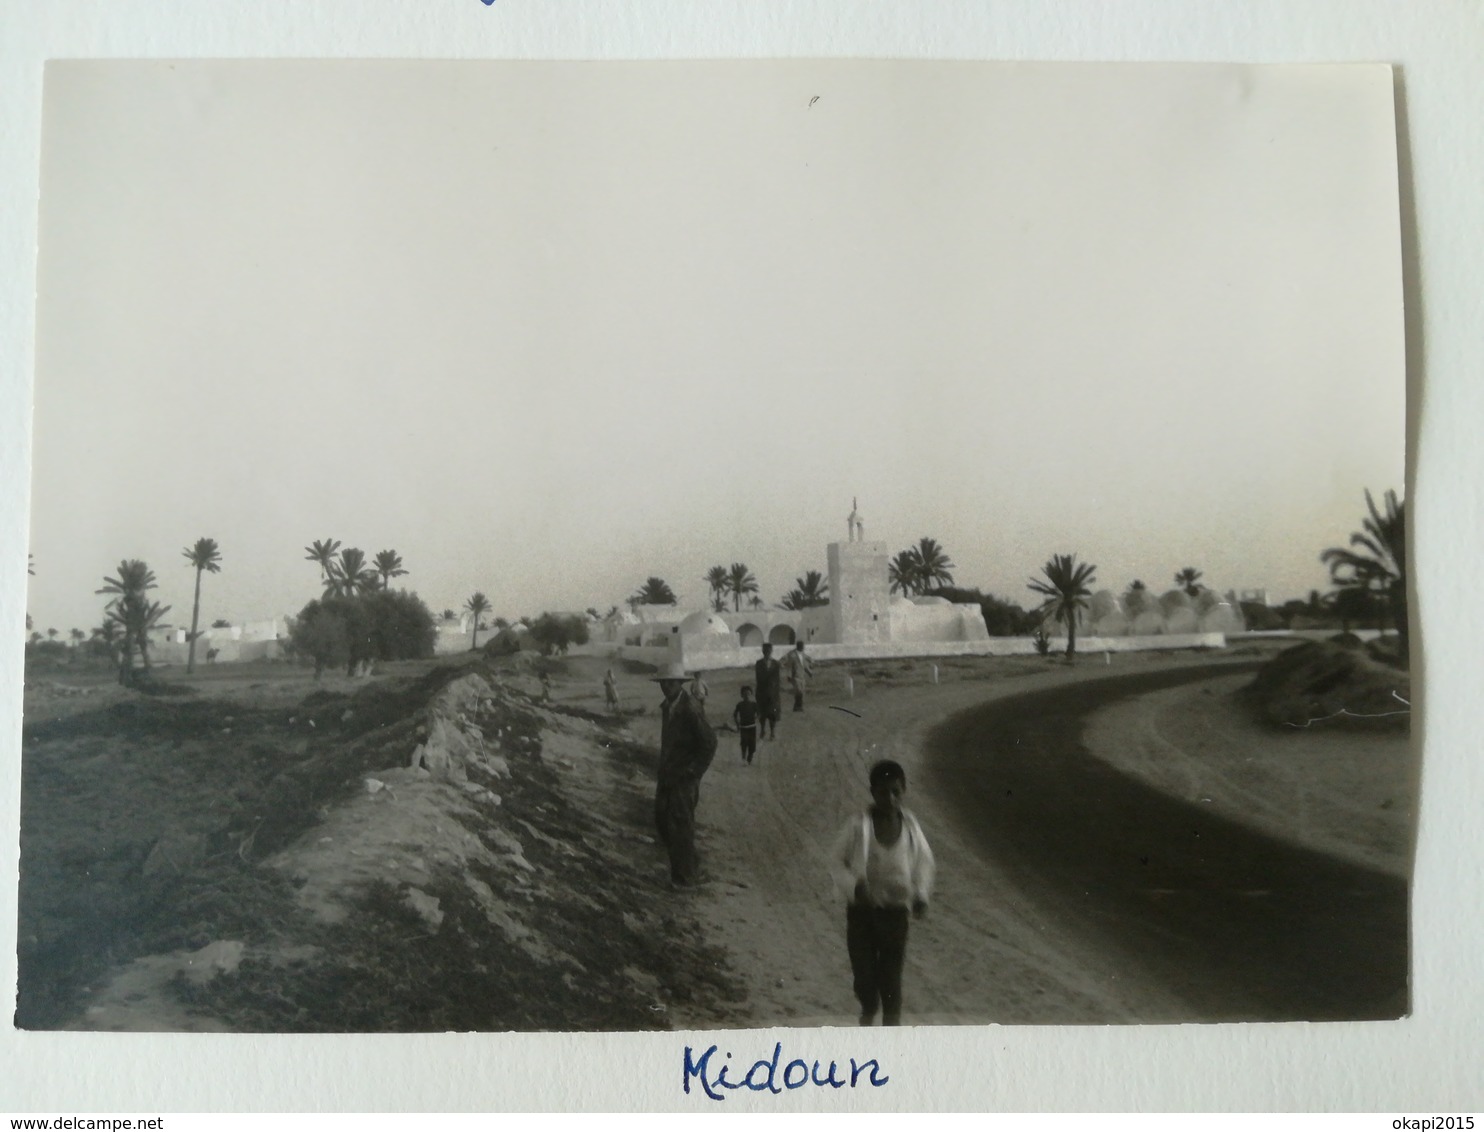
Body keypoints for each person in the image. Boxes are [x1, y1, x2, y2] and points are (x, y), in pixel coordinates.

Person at [829, 758, 935, 1026]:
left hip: (896, 915)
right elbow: (835, 860)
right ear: (872, 792)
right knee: (864, 977)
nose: (889, 798)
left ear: (904, 791)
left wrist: (921, 894)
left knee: (891, 981)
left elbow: (924, 860)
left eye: (895, 792)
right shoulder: (858, 825)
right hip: (862, 914)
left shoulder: (910, 827)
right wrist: (854, 886)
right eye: (882, 792)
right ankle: (867, 1009)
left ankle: (890, 1035)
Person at [652, 660, 718, 887]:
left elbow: (709, 743)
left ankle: (684, 877)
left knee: (680, 825)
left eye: (671, 683)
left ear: (680, 683)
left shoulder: (690, 708)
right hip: (668, 776)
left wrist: (693, 772)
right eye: (663, 683)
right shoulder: (668, 706)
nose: (666, 686)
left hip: (684, 779)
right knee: (662, 821)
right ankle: (691, 865)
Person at [753, 643, 782, 740]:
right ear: (763, 651)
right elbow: (759, 678)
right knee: (762, 713)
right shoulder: (759, 663)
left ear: (771, 651)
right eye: (765, 651)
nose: (767, 652)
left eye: (769, 651)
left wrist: (775, 693)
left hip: (773, 693)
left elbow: (777, 680)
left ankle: (772, 732)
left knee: (772, 713)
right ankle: (762, 730)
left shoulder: (776, 664)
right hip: (762, 692)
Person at [782, 641, 814, 712]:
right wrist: (789, 676)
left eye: (802, 646)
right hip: (795, 677)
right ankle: (799, 706)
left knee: (801, 692)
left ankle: (797, 707)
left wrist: (810, 673)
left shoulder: (803, 655)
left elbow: (805, 666)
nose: (802, 647)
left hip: (802, 676)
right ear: (798, 646)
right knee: (798, 691)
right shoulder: (792, 656)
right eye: (801, 646)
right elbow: (789, 666)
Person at [732, 685, 759, 765]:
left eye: (748, 693)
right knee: (744, 743)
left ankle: (749, 757)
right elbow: (735, 714)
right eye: (745, 694)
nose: (746, 696)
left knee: (752, 744)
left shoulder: (754, 704)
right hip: (743, 727)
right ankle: (744, 759)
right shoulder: (739, 705)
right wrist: (737, 724)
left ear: (751, 694)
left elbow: (759, 714)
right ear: (742, 695)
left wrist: (756, 717)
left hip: (752, 727)